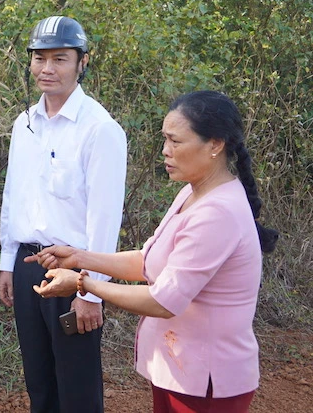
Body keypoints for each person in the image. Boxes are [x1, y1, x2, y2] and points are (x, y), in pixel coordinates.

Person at [27, 90, 279, 413]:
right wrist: (79, 257)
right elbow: (147, 261)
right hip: (182, 371)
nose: (165, 151)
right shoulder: (193, 192)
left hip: (206, 381)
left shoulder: (218, 212)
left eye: (176, 142)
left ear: (215, 144)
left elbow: (164, 300)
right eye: (165, 140)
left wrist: (83, 284)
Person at [0, 15, 127, 413]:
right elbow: (14, 193)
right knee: (39, 380)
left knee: (77, 384)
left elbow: (105, 218)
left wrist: (91, 289)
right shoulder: (25, 124)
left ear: (82, 62)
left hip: (73, 269)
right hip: (27, 264)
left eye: (60, 59)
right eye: (39, 58)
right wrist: (7, 263)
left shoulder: (100, 129)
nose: (47, 69)